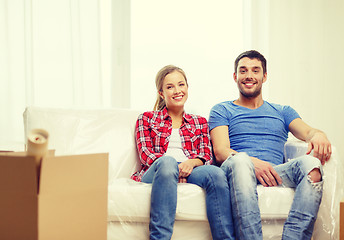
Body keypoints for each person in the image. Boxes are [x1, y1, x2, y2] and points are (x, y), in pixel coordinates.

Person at [209, 50, 332, 240]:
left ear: (264, 76)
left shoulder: (282, 111)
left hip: (275, 173)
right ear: (235, 76)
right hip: (238, 171)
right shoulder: (222, 109)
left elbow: (308, 132)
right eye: (243, 71)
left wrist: (319, 134)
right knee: (241, 162)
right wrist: (252, 163)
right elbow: (221, 151)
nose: (249, 76)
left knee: (312, 165)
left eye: (255, 70)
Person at [131, 65, 235, 240]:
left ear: (187, 87)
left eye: (181, 85)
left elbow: (206, 156)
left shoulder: (199, 121)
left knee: (216, 173)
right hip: (158, 170)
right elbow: (146, 155)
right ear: (161, 93)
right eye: (170, 87)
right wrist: (173, 169)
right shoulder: (147, 118)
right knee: (167, 163)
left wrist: (190, 164)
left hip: (191, 169)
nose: (177, 90)